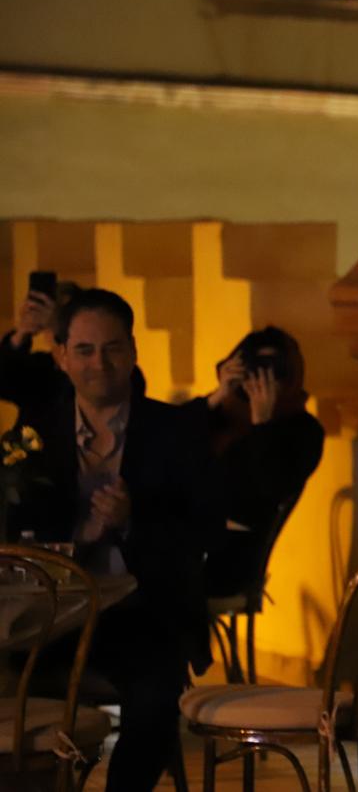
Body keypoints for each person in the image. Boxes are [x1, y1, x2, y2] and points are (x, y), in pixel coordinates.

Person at [1, 286, 219, 791]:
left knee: (154, 699)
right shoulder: (34, 434)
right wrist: (77, 536)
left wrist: (132, 520)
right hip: (46, 619)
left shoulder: (177, 431)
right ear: (61, 356)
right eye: (84, 350)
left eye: (112, 348)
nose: (99, 364)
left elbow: (206, 529)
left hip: (141, 613)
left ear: (133, 350)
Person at [188, 327, 323, 599]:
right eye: (254, 367)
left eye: (273, 368)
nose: (262, 378)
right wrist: (218, 395)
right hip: (184, 539)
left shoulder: (303, 430)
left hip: (231, 555)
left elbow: (272, 486)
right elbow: (167, 443)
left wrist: (263, 424)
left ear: (290, 374)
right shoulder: (220, 413)